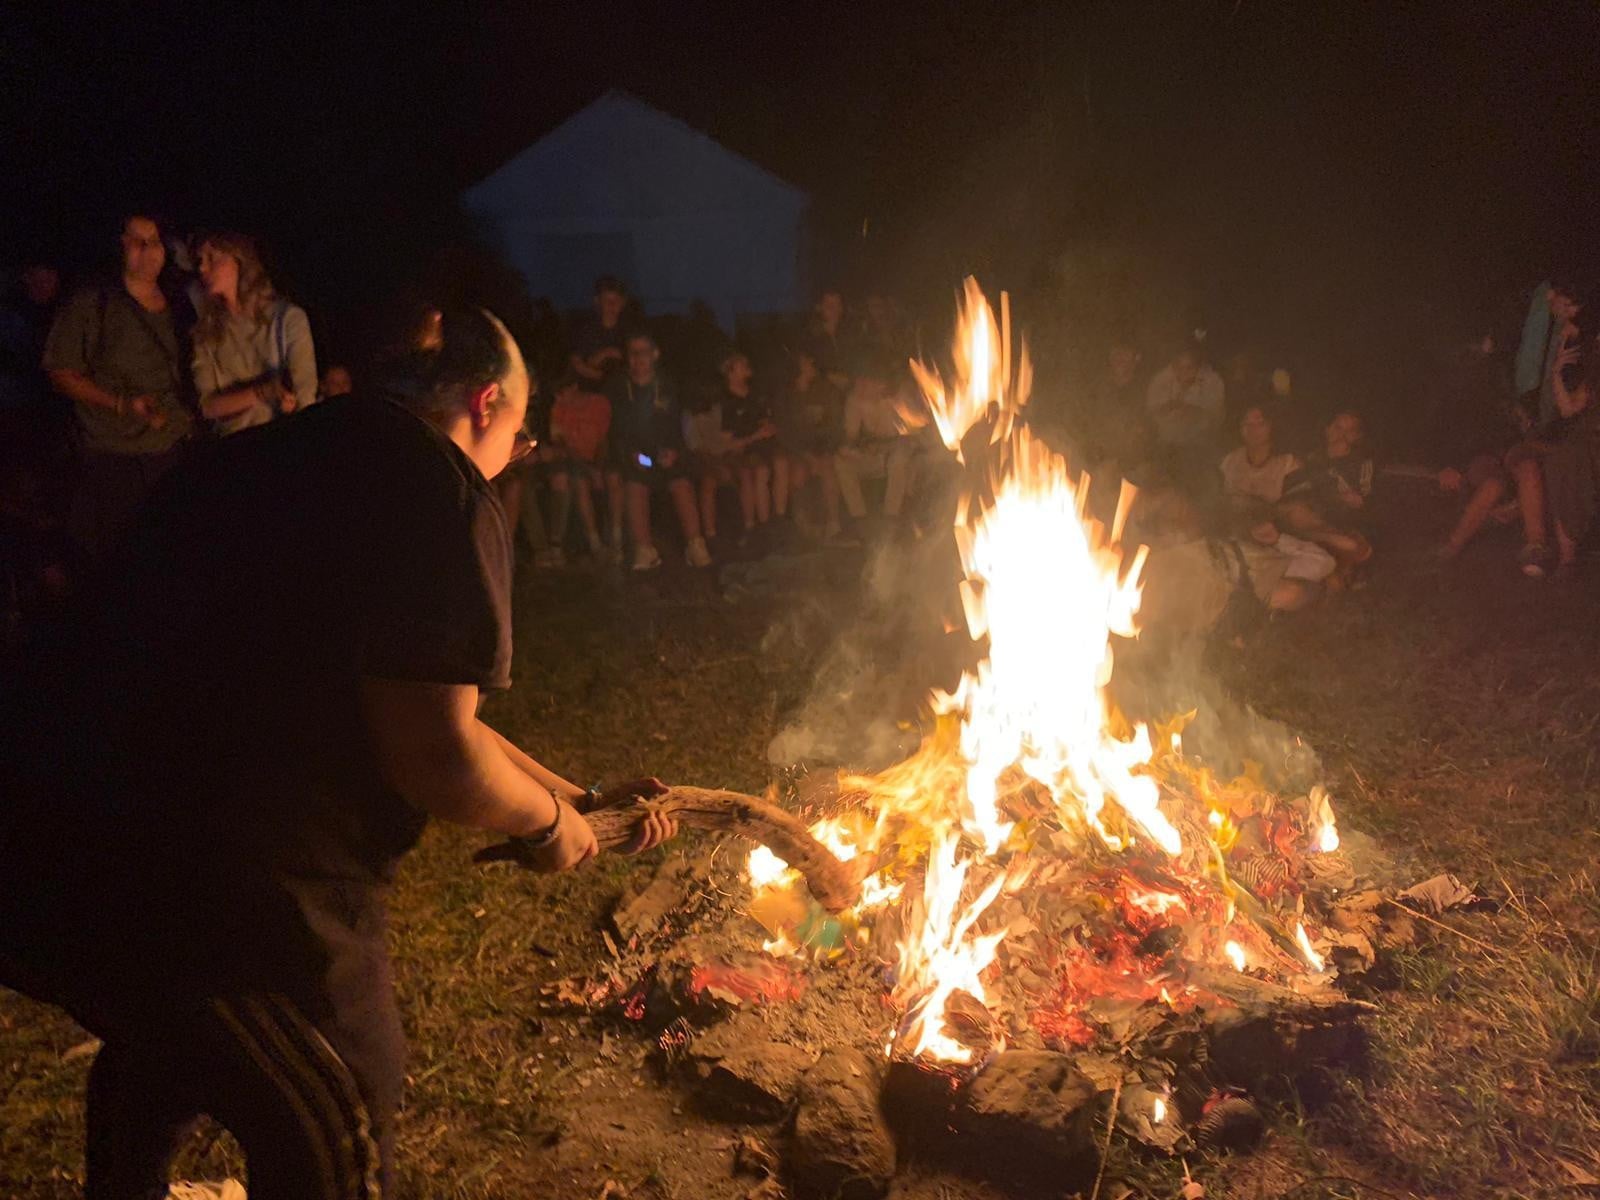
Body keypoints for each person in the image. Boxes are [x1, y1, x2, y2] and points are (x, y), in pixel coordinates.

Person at [0, 307, 678, 1198]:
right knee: (337, 1086)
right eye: (518, 439)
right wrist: (549, 826)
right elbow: (435, 755)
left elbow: (427, 702)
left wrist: (579, 796)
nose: (511, 459)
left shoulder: (265, 458)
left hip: (66, 832)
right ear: (485, 404)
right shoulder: (438, 491)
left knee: (167, 1030)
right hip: (229, 877)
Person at [42, 214, 196, 554]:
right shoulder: (91, 303)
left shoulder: (181, 303)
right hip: (114, 456)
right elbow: (61, 372)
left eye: (153, 241)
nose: (147, 249)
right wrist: (121, 404)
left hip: (170, 449)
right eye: (136, 240)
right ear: (119, 245)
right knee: (120, 552)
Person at [192, 232, 318, 435]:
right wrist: (262, 392)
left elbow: (305, 399)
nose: (202, 268)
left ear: (239, 260)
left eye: (212, 258)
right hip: (235, 449)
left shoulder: (288, 320)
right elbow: (207, 406)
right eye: (200, 260)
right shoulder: (207, 333)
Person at [605, 331, 712, 570]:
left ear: (654, 355)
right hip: (636, 457)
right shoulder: (619, 388)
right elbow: (617, 431)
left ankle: (696, 545)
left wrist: (673, 452)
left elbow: (678, 427)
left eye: (643, 353)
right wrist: (631, 454)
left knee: (681, 480)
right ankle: (645, 549)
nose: (638, 359)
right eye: (633, 353)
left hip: (668, 455)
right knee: (634, 482)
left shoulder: (669, 386)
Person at [772, 346, 845, 541]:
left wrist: (826, 450)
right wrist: (806, 455)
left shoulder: (825, 389)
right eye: (807, 362)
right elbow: (784, 431)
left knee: (828, 468)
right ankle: (800, 526)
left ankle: (833, 524)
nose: (812, 364)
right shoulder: (785, 396)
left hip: (820, 448)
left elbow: (835, 425)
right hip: (796, 451)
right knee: (798, 473)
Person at [835, 357, 917, 528]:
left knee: (898, 459)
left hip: (898, 456)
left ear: (878, 384)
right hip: (873, 457)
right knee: (841, 461)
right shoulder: (855, 400)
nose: (859, 386)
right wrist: (853, 448)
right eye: (858, 381)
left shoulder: (897, 401)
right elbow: (851, 436)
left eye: (864, 381)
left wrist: (883, 446)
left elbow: (910, 438)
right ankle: (859, 520)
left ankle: (891, 517)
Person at [544, 371, 613, 562]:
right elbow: (560, 444)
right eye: (555, 395)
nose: (558, 398)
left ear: (573, 387)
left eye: (561, 392)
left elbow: (604, 440)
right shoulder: (559, 408)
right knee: (574, 480)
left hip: (593, 460)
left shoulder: (598, 404)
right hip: (572, 461)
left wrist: (597, 466)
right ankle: (589, 543)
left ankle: (601, 541)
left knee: (589, 480)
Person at [719, 349, 778, 548]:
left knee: (762, 471)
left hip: (757, 449)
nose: (747, 367)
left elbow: (762, 418)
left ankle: (765, 526)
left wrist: (767, 427)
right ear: (731, 372)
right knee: (747, 473)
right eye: (741, 364)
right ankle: (750, 526)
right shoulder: (725, 401)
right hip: (736, 452)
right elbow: (727, 443)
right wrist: (755, 436)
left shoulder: (754, 394)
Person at [1146, 345, 1226, 452]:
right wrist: (1171, 405)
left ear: (1198, 366)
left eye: (1190, 368)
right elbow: (1151, 412)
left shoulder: (1213, 382)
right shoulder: (1160, 380)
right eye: (1179, 367)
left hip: (1201, 442)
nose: (1184, 372)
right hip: (1165, 442)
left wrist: (1191, 411)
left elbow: (1215, 416)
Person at [569, 275, 631, 385]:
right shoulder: (585, 330)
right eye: (607, 300)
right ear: (597, 301)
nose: (612, 305)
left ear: (623, 303)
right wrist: (604, 355)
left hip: (625, 388)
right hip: (591, 390)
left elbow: (636, 360)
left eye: (616, 300)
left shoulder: (631, 331)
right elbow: (577, 363)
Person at [806, 288, 855, 393]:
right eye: (829, 305)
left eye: (837, 305)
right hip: (820, 394)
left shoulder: (851, 333)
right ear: (819, 307)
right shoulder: (810, 336)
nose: (834, 310)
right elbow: (807, 366)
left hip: (850, 394)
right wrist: (829, 376)